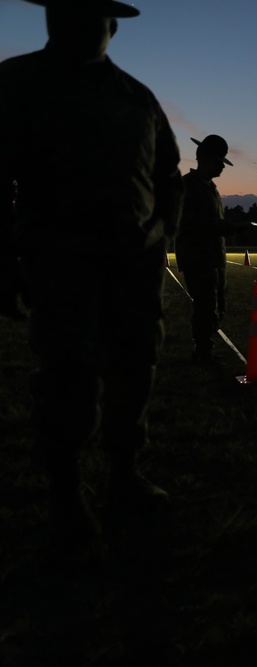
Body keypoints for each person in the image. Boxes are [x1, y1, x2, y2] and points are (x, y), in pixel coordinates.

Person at [0, 0, 184, 544]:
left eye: (91, 14)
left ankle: (124, 473)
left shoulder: (137, 98)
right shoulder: (19, 83)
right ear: (51, 19)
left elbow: (168, 174)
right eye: (66, 11)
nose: (78, 25)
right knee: (67, 371)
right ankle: (66, 491)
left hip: (133, 261)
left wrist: (162, 233)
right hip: (60, 259)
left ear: (112, 26)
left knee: (136, 362)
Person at [174, 135, 250, 363]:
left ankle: (205, 348)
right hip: (198, 257)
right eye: (219, 162)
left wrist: (228, 226)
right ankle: (203, 351)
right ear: (204, 159)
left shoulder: (211, 189)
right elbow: (191, 224)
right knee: (205, 305)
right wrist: (229, 227)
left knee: (218, 304)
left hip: (214, 256)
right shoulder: (187, 187)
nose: (221, 167)